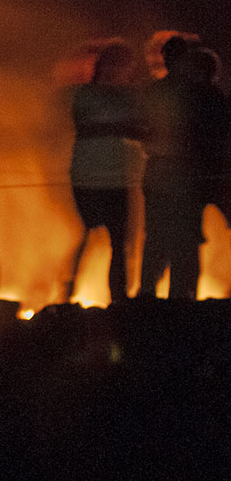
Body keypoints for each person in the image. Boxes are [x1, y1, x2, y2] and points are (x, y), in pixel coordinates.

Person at [138, 38, 229, 299]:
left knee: (166, 238)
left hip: (175, 174)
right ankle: (179, 296)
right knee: (180, 239)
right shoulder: (201, 93)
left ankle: (155, 295)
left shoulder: (181, 92)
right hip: (180, 175)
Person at [66, 42, 141, 303]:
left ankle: (118, 298)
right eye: (122, 67)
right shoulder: (87, 95)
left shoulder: (125, 97)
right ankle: (67, 292)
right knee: (86, 234)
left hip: (116, 177)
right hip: (89, 176)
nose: (125, 73)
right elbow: (96, 123)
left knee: (119, 243)